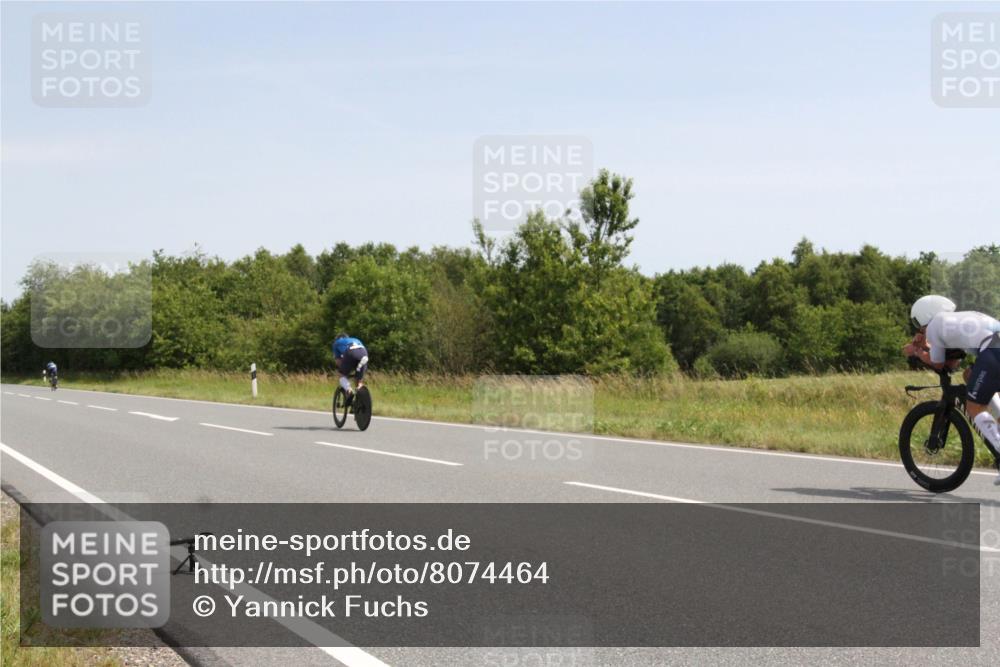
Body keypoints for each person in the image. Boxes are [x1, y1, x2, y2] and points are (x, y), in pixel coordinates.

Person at [904, 295, 1000, 484]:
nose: (919, 329)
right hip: (994, 347)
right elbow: (954, 362)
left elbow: (939, 364)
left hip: (993, 350)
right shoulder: (953, 321)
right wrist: (925, 345)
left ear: (925, 315)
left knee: (974, 407)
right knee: (969, 376)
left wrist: (916, 351)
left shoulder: (934, 326)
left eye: (917, 323)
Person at [332, 333, 368, 401]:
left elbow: (338, 362)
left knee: (341, 374)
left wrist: (343, 371)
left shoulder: (336, 343)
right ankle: (360, 400)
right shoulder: (355, 339)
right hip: (364, 352)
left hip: (351, 352)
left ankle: (349, 391)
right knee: (358, 381)